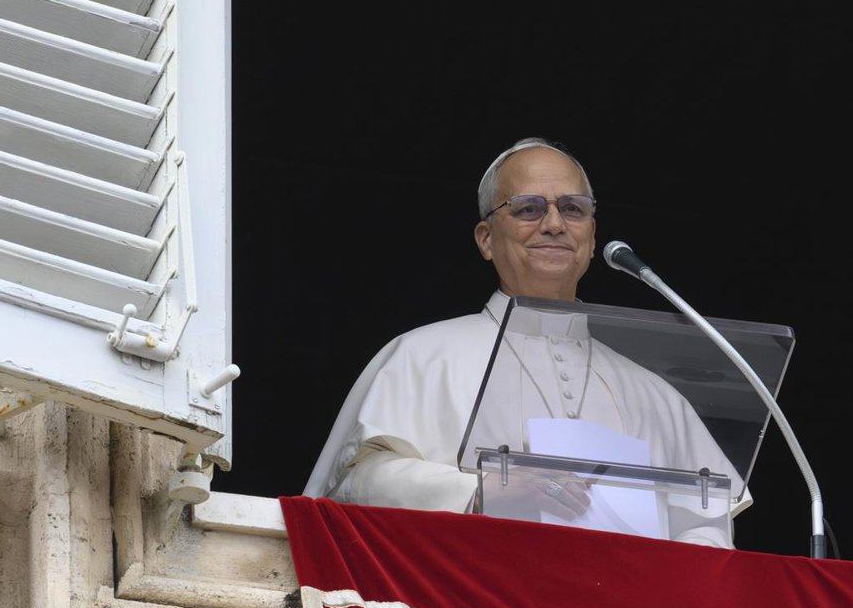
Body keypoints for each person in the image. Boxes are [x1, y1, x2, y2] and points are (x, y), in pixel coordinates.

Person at [303, 138, 749, 547]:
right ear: (486, 240)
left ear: (592, 239)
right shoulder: (421, 357)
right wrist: (483, 491)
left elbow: (705, 527)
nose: (554, 224)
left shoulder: (655, 394)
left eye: (573, 209)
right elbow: (358, 485)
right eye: (528, 209)